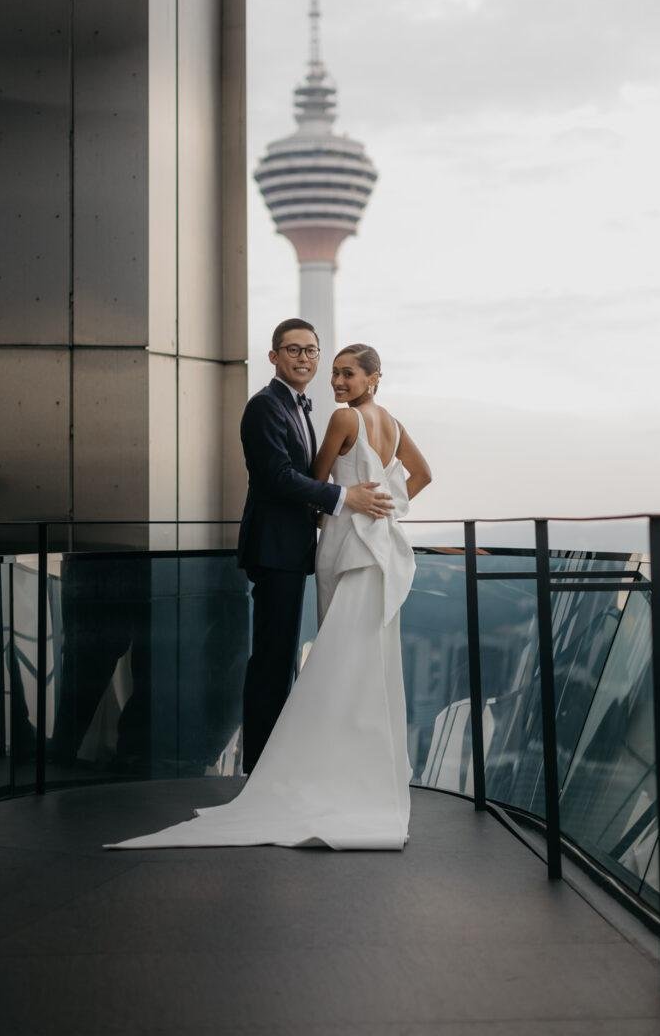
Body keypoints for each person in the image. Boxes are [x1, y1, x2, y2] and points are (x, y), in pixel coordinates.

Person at [105, 335, 432, 851]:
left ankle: (281, 772)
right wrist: (382, 506)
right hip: (359, 551)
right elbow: (418, 475)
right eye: (335, 371)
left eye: (345, 372)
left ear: (373, 377)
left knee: (320, 658)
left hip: (341, 546)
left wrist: (353, 507)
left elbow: (315, 479)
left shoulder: (342, 419)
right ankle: (324, 771)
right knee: (346, 660)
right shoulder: (304, 411)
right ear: (276, 355)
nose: (336, 380)